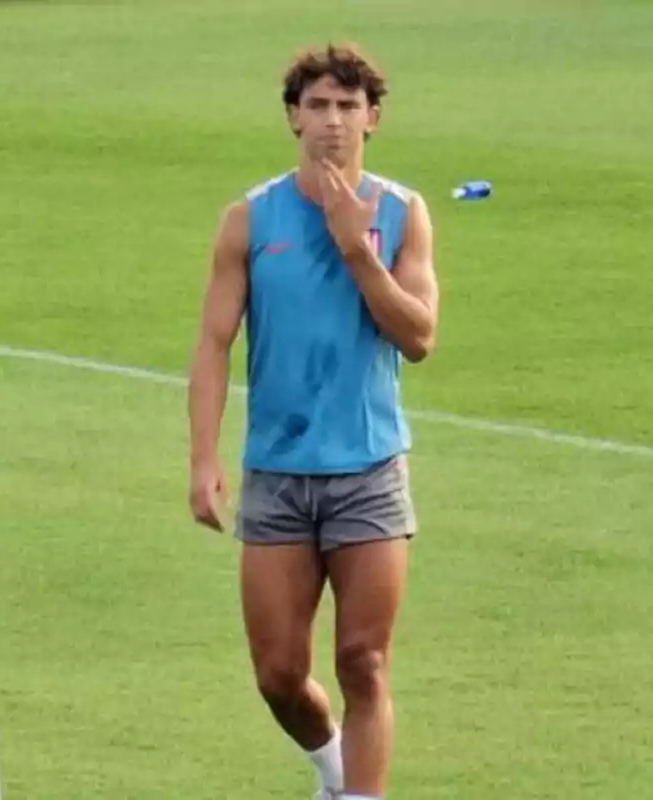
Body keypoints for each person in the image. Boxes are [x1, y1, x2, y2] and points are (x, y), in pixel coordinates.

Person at [187, 42, 439, 800]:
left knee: (364, 659)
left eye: (349, 107)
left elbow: (419, 337)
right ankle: (332, 767)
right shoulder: (251, 219)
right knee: (278, 674)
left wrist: (358, 252)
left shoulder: (402, 214)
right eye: (319, 106)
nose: (334, 123)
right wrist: (203, 458)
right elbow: (213, 342)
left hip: (369, 471)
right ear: (294, 116)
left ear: (374, 119)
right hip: (279, 474)